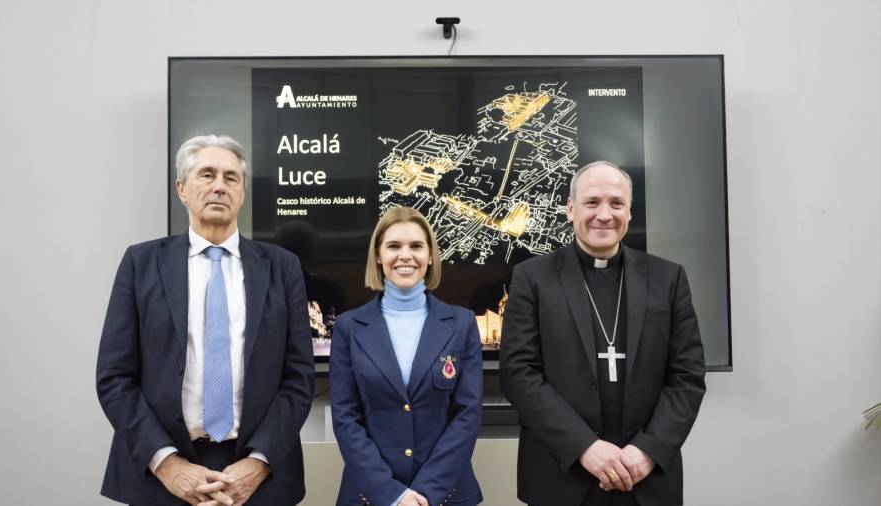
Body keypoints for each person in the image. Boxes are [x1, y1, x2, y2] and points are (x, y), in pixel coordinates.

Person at [96, 135, 314, 505]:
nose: (219, 186)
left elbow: (298, 378)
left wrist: (258, 464)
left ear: (242, 192)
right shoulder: (141, 264)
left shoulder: (282, 267)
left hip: (259, 476)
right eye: (206, 174)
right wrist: (167, 464)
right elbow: (115, 378)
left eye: (231, 178)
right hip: (160, 475)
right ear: (182, 189)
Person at [500, 161, 706, 506]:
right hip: (561, 475)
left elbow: (687, 376)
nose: (604, 215)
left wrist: (648, 451)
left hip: (645, 479)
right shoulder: (532, 278)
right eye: (592, 202)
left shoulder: (668, 278)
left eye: (616, 203)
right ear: (570, 209)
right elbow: (519, 375)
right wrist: (585, 447)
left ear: (629, 211)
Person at [330, 207, 484, 506]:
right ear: (378, 255)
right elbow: (346, 418)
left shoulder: (462, 324)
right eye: (393, 246)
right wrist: (392, 494)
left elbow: (467, 415)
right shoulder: (350, 327)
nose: (405, 255)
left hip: (446, 495)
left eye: (415, 246)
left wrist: (426, 492)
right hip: (370, 495)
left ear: (430, 256)